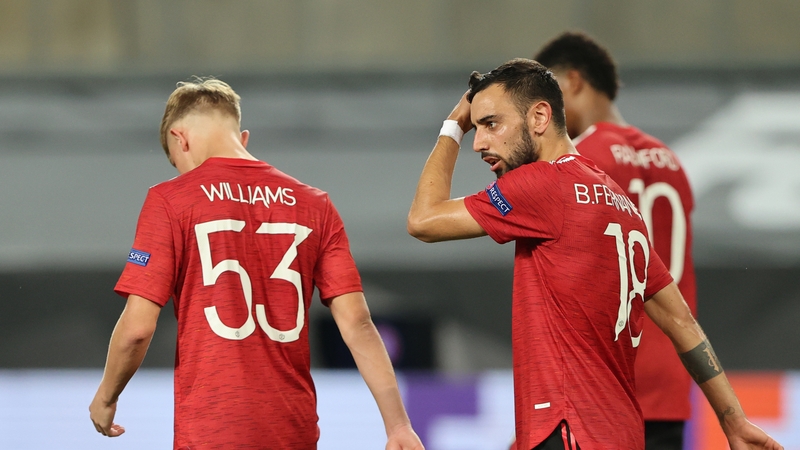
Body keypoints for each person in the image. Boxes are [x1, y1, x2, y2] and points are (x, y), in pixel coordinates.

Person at [406, 59, 781, 450]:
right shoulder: (620, 202)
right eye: (476, 127)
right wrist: (733, 421)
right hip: (619, 432)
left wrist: (453, 126)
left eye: (490, 124)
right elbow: (680, 320)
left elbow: (423, 220)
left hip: (570, 431)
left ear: (539, 117)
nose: (479, 142)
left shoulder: (542, 184)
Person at [88, 78, 424, 450]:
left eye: (175, 160)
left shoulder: (169, 200)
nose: (181, 171)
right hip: (292, 431)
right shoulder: (316, 205)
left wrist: (106, 395)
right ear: (242, 138)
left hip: (212, 430)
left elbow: (137, 328)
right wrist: (397, 425)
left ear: (179, 138)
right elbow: (358, 324)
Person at [533, 31, 697, 450]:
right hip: (671, 374)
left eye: (544, 93)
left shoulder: (581, 161)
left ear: (570, 82)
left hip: (608, 376)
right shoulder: (670, 160)